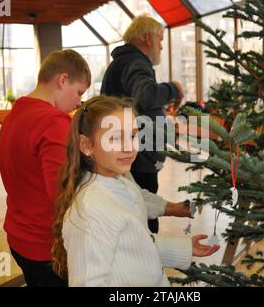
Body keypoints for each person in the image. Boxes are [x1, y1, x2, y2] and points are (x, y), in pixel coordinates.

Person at [52, 96, 219, 286]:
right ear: (87, 146)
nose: (129, 147)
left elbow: (138, 243)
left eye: (132, 136)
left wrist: (184, 248)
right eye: (115, 138)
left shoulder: (122, 181)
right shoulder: (90, 211)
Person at [0, 49, 91, 287]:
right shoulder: (53, 121)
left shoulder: (15, 114)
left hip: (19, 235)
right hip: (45, 245)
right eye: (79, 91)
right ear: (62, 80)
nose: (79, 101)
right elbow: (62, 194)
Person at [100, 14, 186, 233]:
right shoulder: (136, 62)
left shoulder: (124, 62)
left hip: (128, 154)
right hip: (137, 158)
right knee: (144, 216)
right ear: (148, 38)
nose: (161, 46)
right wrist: (174, 88)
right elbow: (146, 95)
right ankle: (148, 259)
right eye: (160, 40)